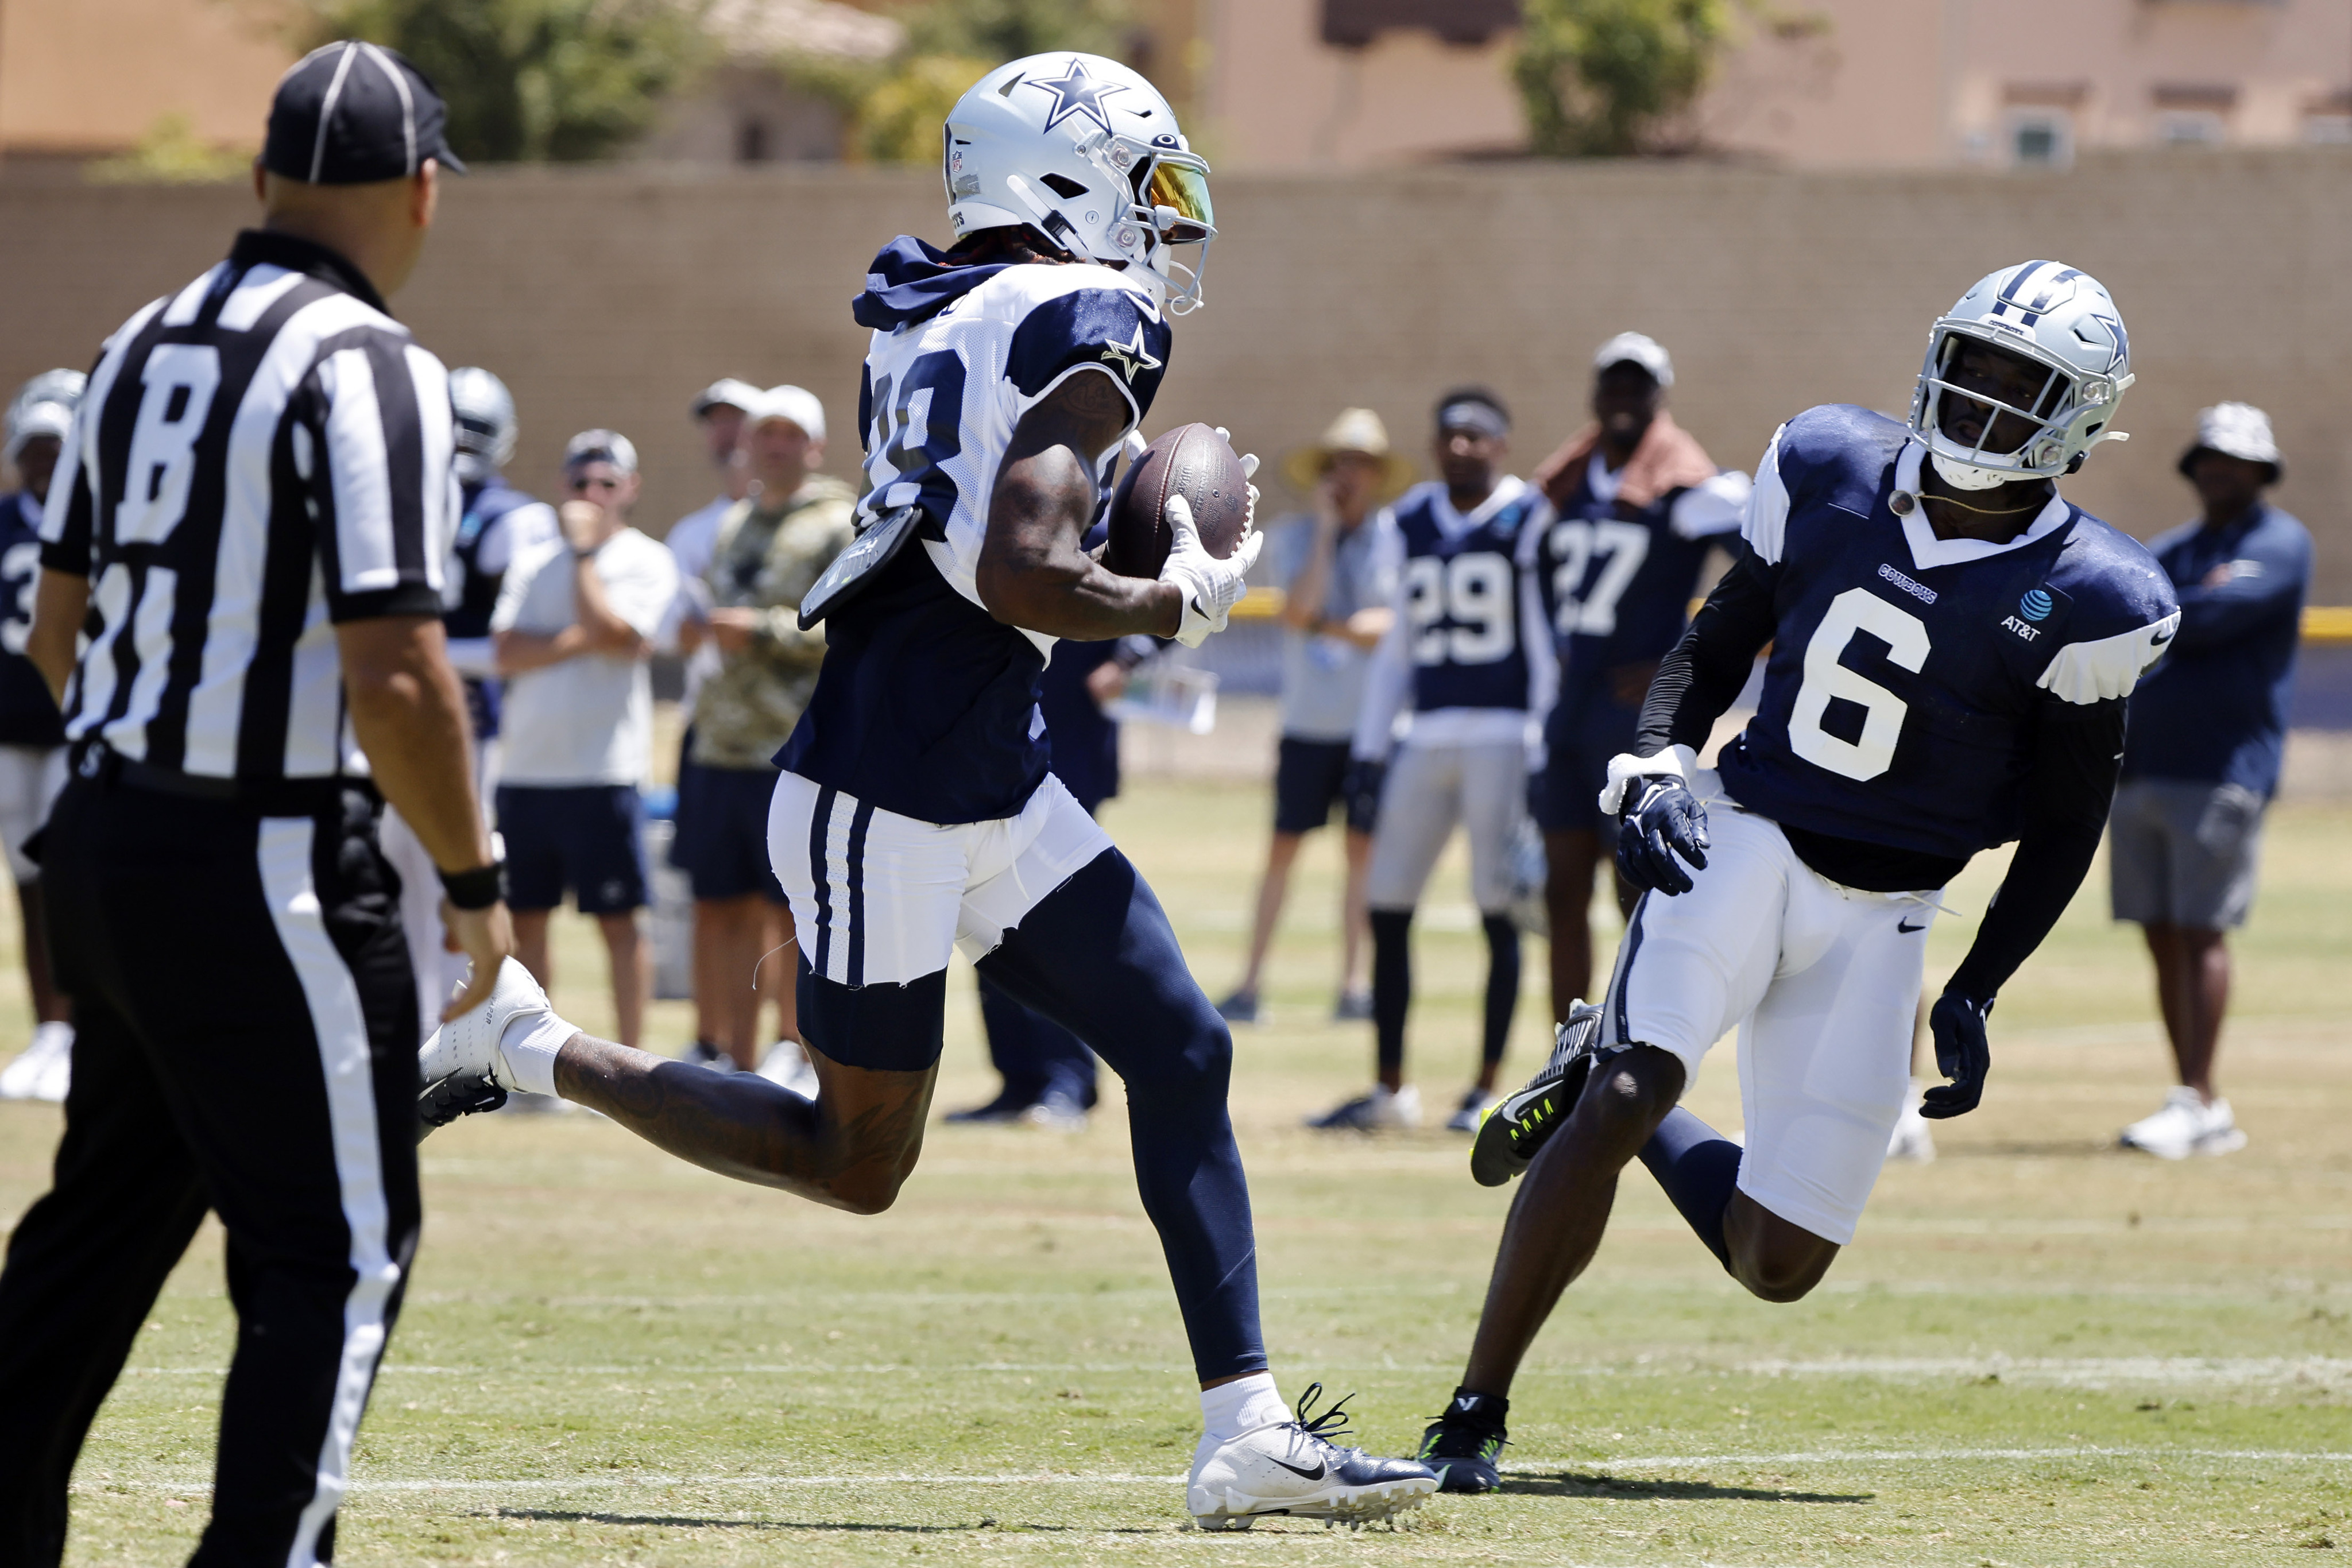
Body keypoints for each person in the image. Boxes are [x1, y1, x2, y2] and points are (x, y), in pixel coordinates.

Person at [419, 51, 1437, 1530]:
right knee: (855, 1162)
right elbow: (1024, 565)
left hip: (988, 772)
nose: (1164, 232)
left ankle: (1246, 1429)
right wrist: (1174, 605)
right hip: (882, 798)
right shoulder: (1086, 316)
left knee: (1182, 1047)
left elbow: (986, 552)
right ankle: (534, 1045)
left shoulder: (936, 306)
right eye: (1146, 191)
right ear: (1065, 178)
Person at [1415, 262, 2178, 1494]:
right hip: (1748, 831)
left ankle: (1594, 1075)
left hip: (1887, 911)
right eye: (1968, 362)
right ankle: (1471, 1411)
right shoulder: (1826, 463)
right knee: (1630, 1081)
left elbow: (2064, 821)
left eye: (2016, 380)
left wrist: (1977, 984)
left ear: (2077, 416)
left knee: (1775, 1260)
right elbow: (1715, 640)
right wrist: (1656, 759)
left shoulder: (2099, 598)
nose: (1979, 397)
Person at [0, 42, 512, 1563]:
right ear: (423, 191)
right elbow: (401, 669)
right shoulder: (372, 365)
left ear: (259, 179)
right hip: (267, 855)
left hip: (105, 838)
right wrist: (474, 886)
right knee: (337, 1255)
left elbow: (52, 624)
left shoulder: (137, 342)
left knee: (98, 1230)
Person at [1312, 389, 1553, 1133]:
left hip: (1503, 733)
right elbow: (1397, 651)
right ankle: (1391, 1089)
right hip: (1427, 729)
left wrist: (1541, 743)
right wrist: (1370, 751)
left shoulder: (1530, 515)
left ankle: (1484, 1086)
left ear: (1502, 446)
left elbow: (1546, 643)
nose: (1459, 447)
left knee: (1497, 911)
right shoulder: (1409, 519)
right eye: (1448, 434)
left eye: (1476, 436)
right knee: (1387, 905)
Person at [1525, 334, 1748, 1025]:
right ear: (1594, 396)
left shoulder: (1685, 491)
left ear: (1660, 398)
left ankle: (1635, 1034)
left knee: (1636, 887)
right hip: (1568, 712)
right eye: (1612, 386)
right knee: (1562, 890)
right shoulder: (1564, 486)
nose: (1623, 400)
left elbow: (1765, 580)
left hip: (1634, 718)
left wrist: (1689, 658)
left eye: (1638, 387)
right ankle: (1566, 1045)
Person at [2110, 402, 2310, 1159]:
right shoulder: (2177, 547)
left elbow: (2201, 619)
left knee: (2201, 931)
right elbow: (2127, 613)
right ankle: (2189, 1095)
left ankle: (2201, 1095)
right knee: (2161, 933)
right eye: (2210, 457)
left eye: (2236, 459)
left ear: (2263, 470)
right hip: (2143, 763)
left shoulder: (2281, 543)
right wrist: (2169, 606)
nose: (2220, 470)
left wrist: (2167, 609)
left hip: (2221, 769)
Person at [672, 386, 854, 1072]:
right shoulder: (732, 524)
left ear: (814, 446)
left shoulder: (838, 524)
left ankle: (798, 1049)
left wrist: (762, 630)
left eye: (790, 435)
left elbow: (847, 628)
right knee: (721, 903)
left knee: (793, 910)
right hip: (720, 741)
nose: (775, 446)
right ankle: (727, 1052)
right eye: (765, 434)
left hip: (792, 746)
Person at [377, 365, 557, 1043]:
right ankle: (437, 1028)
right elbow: (519, 642)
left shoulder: (391, 501)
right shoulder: (515, 517)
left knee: (416, 878)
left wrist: (418, 655)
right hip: (460, 718)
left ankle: (428, 1025)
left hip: (404, 711)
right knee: (448, 874)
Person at [1216, 408, 1406, 1027]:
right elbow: (1295, 609)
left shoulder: (1395, 537)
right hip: (1306, 724)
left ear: (1377, 475)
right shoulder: (1296, 534)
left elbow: (1392, 627)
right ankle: (1249, 985)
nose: (1349, 476)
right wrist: (1326, 531)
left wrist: (1336, 627)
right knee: (1281, 851)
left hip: (1368, 729)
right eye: (1340, 464)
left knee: (1361, 856)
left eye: (1361, 465)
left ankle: (1354, 986)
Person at [491, 430, 679, 1049]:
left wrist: (582, 559)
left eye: (606, 482)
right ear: (560, 487)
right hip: (527, 770)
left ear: (630, 489)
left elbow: (621, 637)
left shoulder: (646, 559)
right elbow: (506, 651)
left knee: (619, 923)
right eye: (580, 482)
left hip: (605, 772)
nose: (592, 494)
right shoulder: (529, 560)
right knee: (526, 924)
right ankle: (532, 1059)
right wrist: (578, 638)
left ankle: (631, 1060)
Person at [949, 626, 1155, 1129]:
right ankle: (1018, 1078)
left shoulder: (1093, 541)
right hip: (991, 745)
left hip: (1068, 742)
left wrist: (1129, 658)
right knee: (985, 914)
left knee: (1057, 923)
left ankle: (1069, 1080)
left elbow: (1175, 583)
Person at [655, 378, 758, 1066]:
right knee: (711, 895)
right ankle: (709, 1038)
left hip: (781, 735)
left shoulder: (805, 526)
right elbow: (667, 636)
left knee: (780, 904)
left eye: (738, 422)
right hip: (708, 732)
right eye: (715, 424)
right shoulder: (691, 532)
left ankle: (786, 1045)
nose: (726, 437)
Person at [0, 373, 82, 1102]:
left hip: (74, 726)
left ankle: (80, 1028)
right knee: (27, 884)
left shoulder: (98, 522)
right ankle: (48, 1030)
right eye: (36, 449)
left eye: (59, 448)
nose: (45, 463)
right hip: (10, 727)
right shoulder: (3, 522)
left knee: (71, 879)